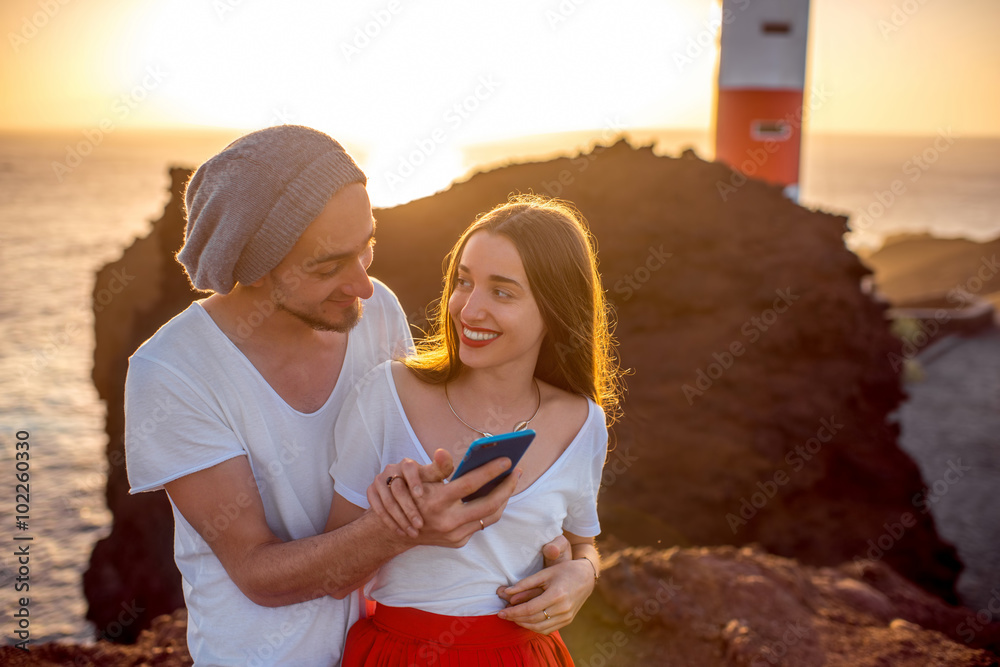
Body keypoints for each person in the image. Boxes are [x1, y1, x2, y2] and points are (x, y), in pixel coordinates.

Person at [124, 126, 597, 666]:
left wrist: (581, 567)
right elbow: (258, 574)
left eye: (366, 248)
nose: (363, 285)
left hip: (385, 649)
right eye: (328, 267)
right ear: (251, 269)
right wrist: (405, 528)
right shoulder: (174, 372)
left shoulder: (375, 315)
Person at [327, 195, 624, 665]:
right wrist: (399, 529)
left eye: (502, 292)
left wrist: (583, 576)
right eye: (464, 282)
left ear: (555, 308)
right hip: (399, 653)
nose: (467, 310)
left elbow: (582, 541)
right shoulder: (387, 393)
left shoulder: (583, 421)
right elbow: (332, 576)